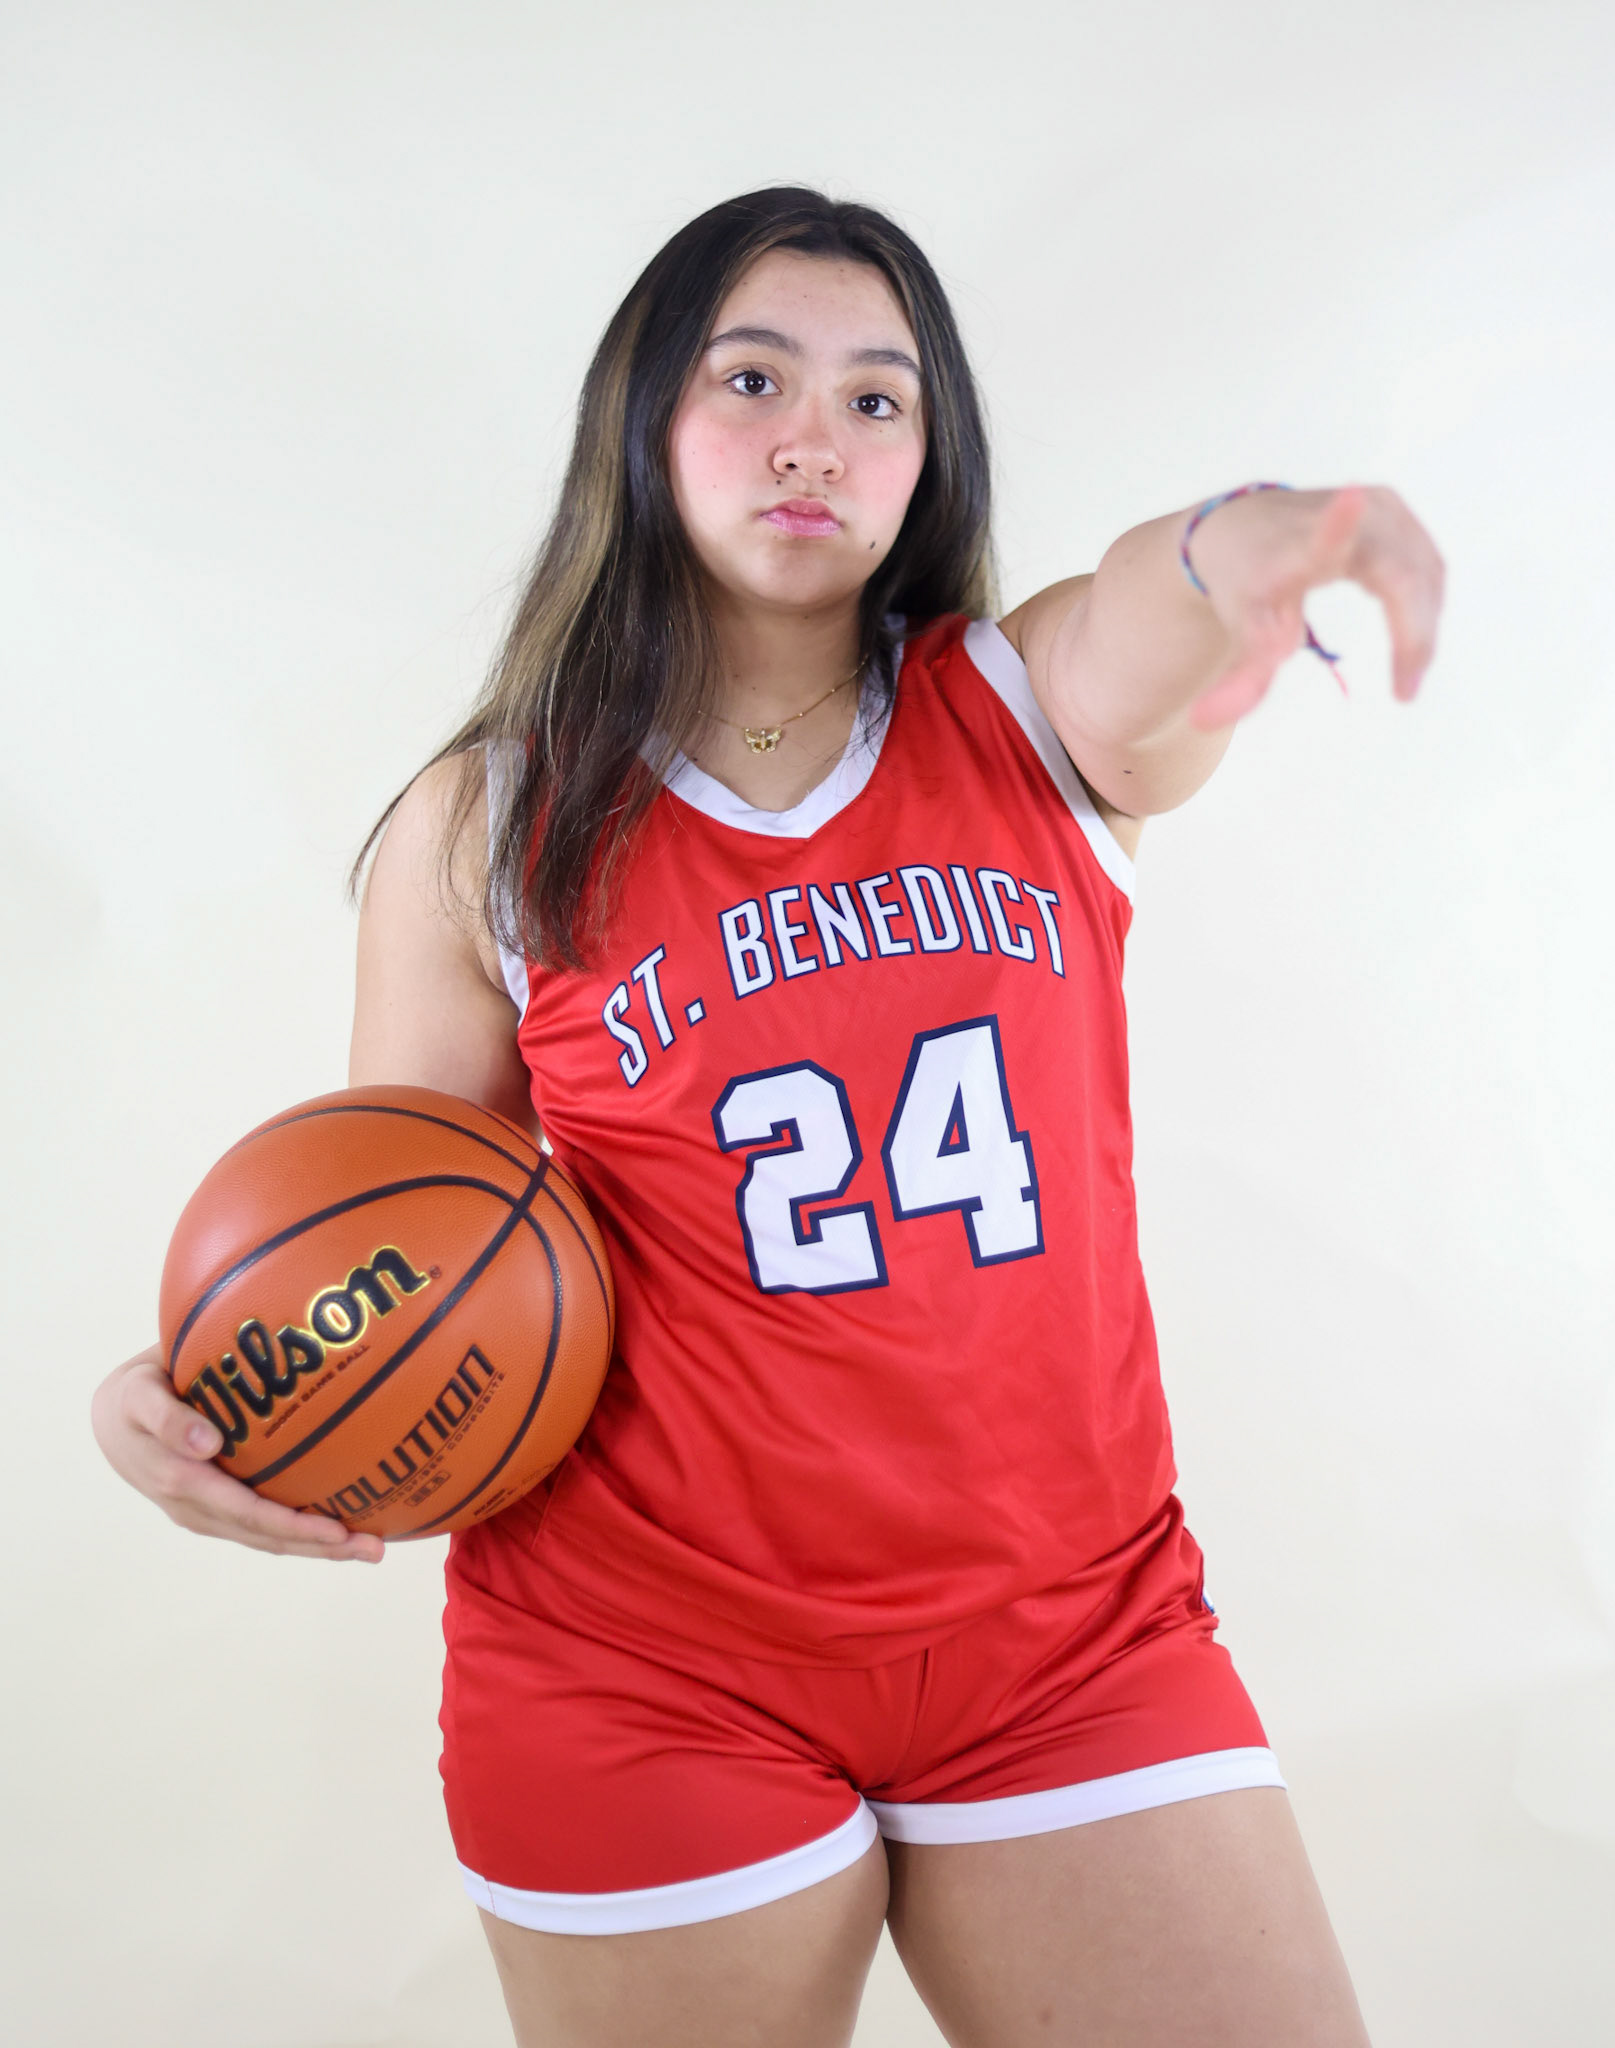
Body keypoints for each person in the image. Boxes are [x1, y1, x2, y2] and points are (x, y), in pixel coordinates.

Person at [91, 186, 1444, 2046]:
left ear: (927, 455)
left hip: (1072, 1633)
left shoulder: (1027, 710)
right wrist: (203, 1392)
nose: (818, 431)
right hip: (642, 1664)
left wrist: (1252, 536)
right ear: (643, 425)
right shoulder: (491, 821)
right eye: (753, 377)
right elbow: (400, 1233)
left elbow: (1158, 622)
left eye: (880, 398)